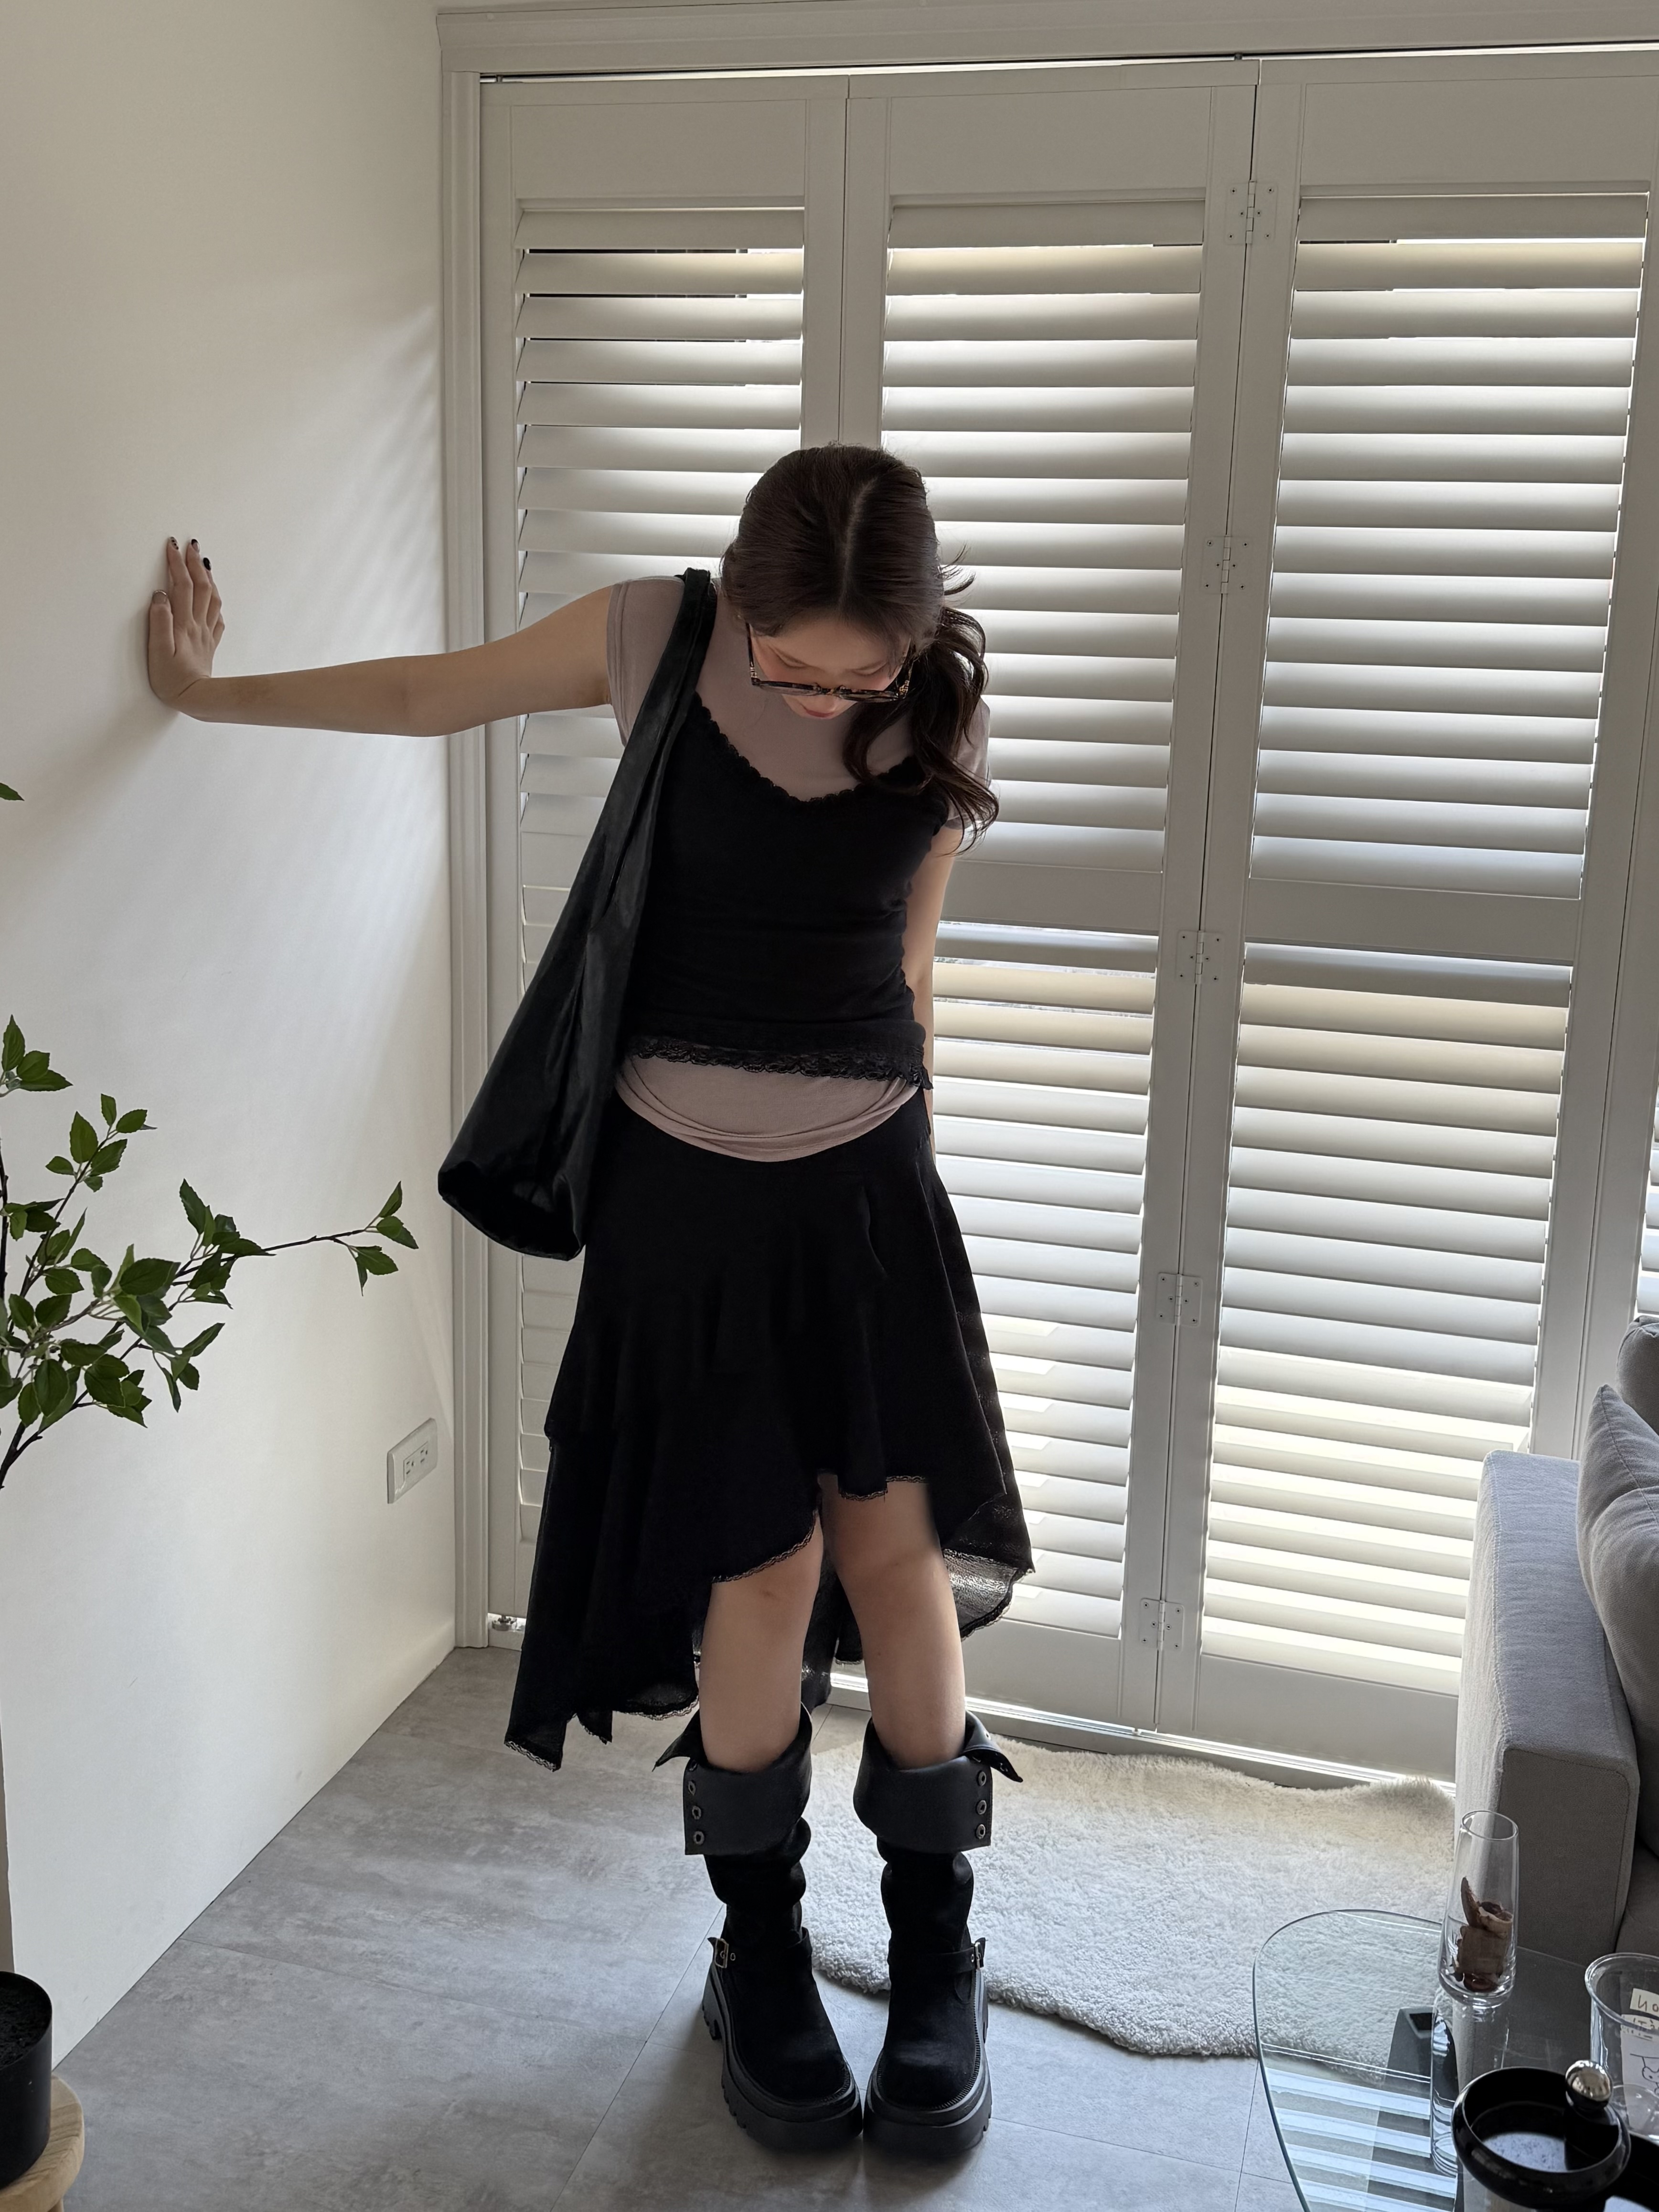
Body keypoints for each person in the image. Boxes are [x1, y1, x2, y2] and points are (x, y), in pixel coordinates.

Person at [147, 443, 1033, 2159]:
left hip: (865, 1196)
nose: (826, 698)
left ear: (919, 640)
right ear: (741, 602)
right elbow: (428, 693)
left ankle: (938, 1962)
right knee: (758, 1569)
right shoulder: (653, 634)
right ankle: (759, 1960)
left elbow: (911, 952)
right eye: (792, 666)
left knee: (896, 1557)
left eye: (861, 678)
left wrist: (896, 1145)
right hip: (681, 1207)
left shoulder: (944, 710)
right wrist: (207, 693)